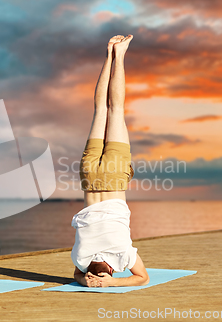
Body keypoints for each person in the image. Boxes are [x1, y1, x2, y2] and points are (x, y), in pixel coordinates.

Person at [71, 35, 150, 288]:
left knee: (112, 110)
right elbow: (142, 278)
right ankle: (112, 54)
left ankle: (115, 55)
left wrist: (94, 281)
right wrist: (104, 284)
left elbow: (140, 278)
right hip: (91, 179)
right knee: (105, 110)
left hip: (110, 178)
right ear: (111, 273)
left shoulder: (117, 257)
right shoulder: (83, 259)